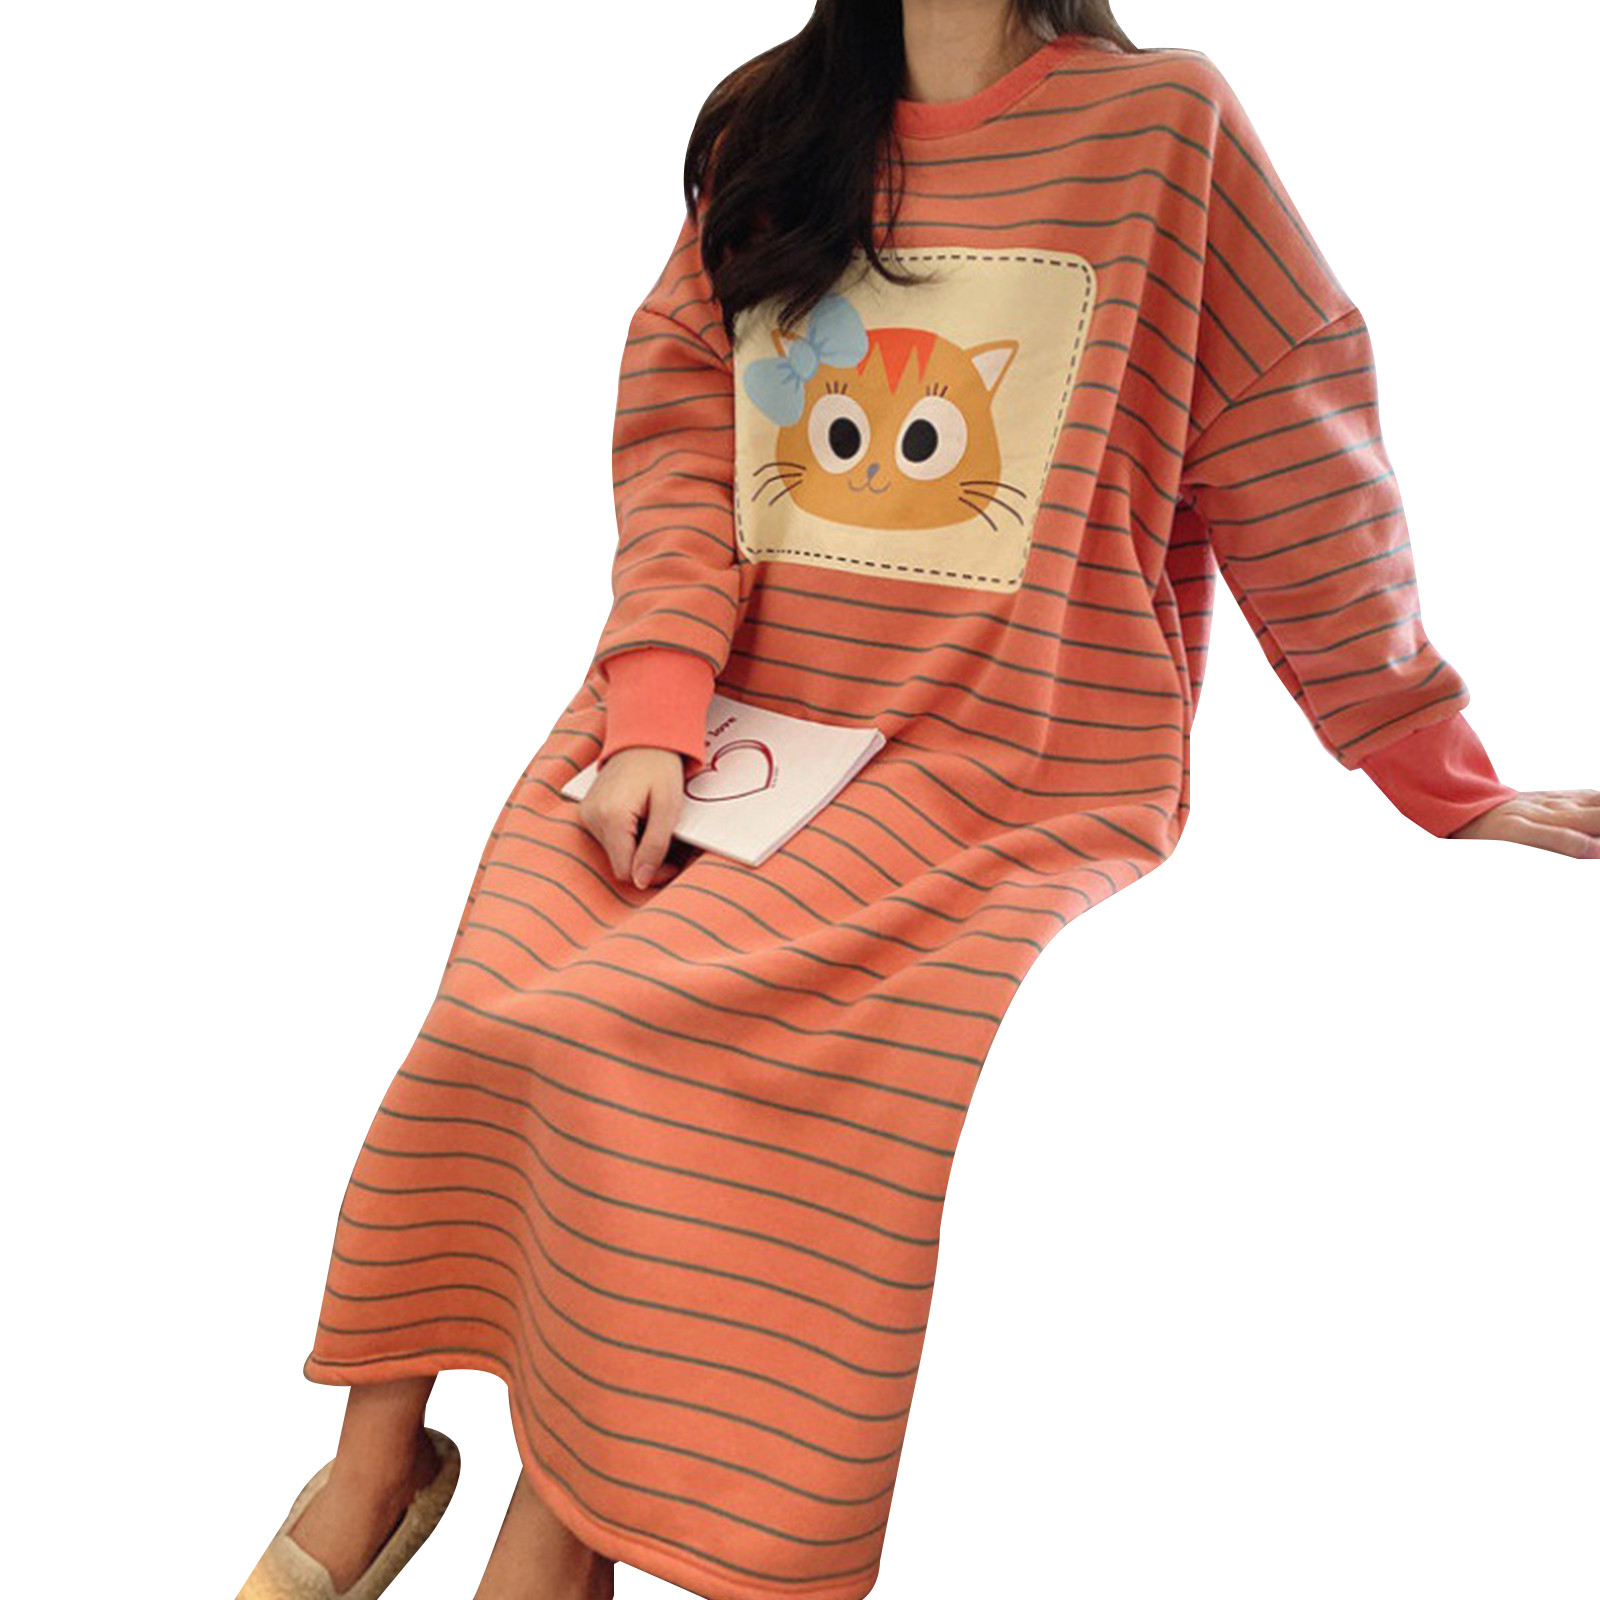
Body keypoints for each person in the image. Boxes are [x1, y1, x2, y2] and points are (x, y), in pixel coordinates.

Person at [236, 3, 1599, 1598]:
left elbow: (1289, 435)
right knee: (491, 1012)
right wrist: (656, 708)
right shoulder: (773, 130)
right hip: (709, 712)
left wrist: (1429, 762)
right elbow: (680, 448)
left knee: (622, 1040)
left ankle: (559, 1521)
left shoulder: (1162, 130)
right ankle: (375, 1463)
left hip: (986, 758)